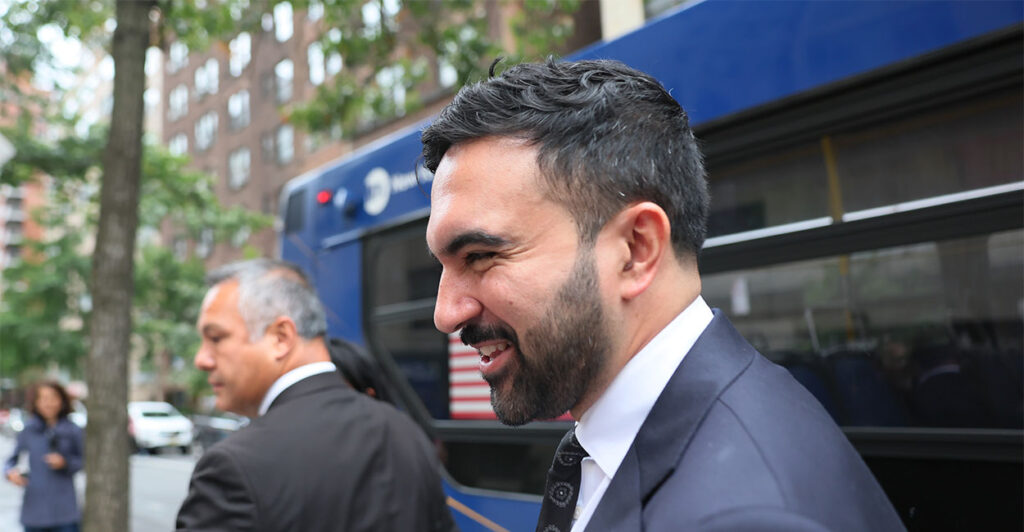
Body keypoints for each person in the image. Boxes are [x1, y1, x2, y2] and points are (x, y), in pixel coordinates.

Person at [422, 59, 904, 531]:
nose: (446, 314)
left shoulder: (744, 517)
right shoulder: (736, 410)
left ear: (636, 249)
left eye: (481, 256)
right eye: (443, 267)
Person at [175, 258, 455, 532]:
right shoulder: (405, 432)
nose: (202, 359)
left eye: (216, 338)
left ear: (281, 337)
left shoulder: (231, 467)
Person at [3, 380, 84, 532]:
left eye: (53, 398)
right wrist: (10, 473)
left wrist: (65, 463)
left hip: (65, 511)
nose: (49, 403)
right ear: (36, 402)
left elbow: (83, 461)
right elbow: (11, 461)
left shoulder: (73, 430)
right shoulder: (28, 430)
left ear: (62, 400)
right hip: (35, 510)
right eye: (43, 398)